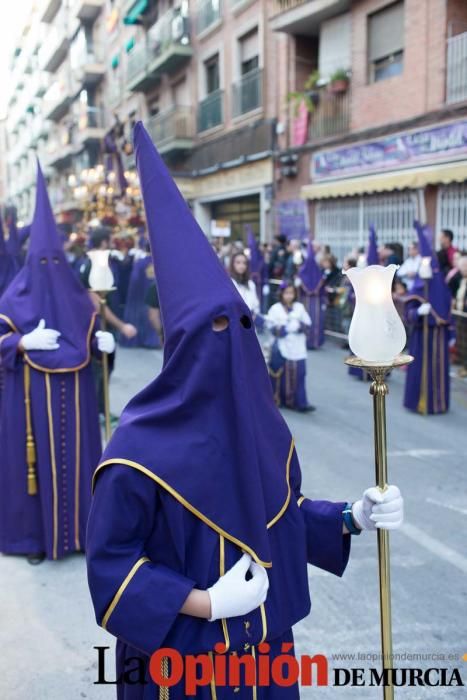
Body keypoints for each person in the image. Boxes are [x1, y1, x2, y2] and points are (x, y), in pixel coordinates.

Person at [86, 123, 404, 699]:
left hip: (265, 661)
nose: (230, 342)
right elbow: (111, 565)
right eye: (213, 329)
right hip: (178, 668)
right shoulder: (134, 454)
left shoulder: (265, 433)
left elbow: (283, 515)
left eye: (238, 327)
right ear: (181, 345)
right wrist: (205, 603)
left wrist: (353, 516)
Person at [0, 163, 114, 562]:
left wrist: (103, 344)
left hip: (76, 399)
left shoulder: (79, 296)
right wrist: (19, 341)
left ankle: (81, 534)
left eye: (55, 260)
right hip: (30, 399)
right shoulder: (12, 299)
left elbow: (91, 339)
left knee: (80, 462)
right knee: (34, 470)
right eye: (41, 260)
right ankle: (35, 538)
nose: (49, 268)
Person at [403, 222, 452, 415]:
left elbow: (448, 311)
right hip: (421, 336)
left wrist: (452, 331)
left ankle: (437, 402)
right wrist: (418, 313)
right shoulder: (417, 288)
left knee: (437, 370)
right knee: (420, 369)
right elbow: (408, 315)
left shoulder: (442, 287)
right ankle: (418, 401)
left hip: (438, 337)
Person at [266, 282, 314, 412]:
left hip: (298, 346)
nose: (289, 296)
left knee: (300, 374)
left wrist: (299, 326)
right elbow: (270, 327)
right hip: (283, 346)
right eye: (286, 293)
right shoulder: (275, 308)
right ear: (281, 294)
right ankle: (280, 399)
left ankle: (300, 402)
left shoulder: (299, 307)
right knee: (282, 374)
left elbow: (308, 324)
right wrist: (284, 329)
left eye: (291, 293)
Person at [297, 242, 325, 349]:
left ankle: (308, 341)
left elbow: (299, 287)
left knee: (310, 319)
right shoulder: (318, 271)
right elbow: (322, 288)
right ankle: (314, 342)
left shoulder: (302, 271)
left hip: (306, 300)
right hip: (315, 301)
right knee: (313, 320)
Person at [229, 251, 260, 319]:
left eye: (244, 263)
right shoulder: (228, 283)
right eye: (238, 262)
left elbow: (256, 305)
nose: (241, 266)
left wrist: (254, 314)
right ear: (232, 264)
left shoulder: (251, 284)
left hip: (249, 322)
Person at [454, 256, 467, 378]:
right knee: (462, 343)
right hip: (460, 315)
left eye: (464, 267)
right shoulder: (462, 280)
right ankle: (464, 366)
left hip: (465, 315)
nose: (462, 269)